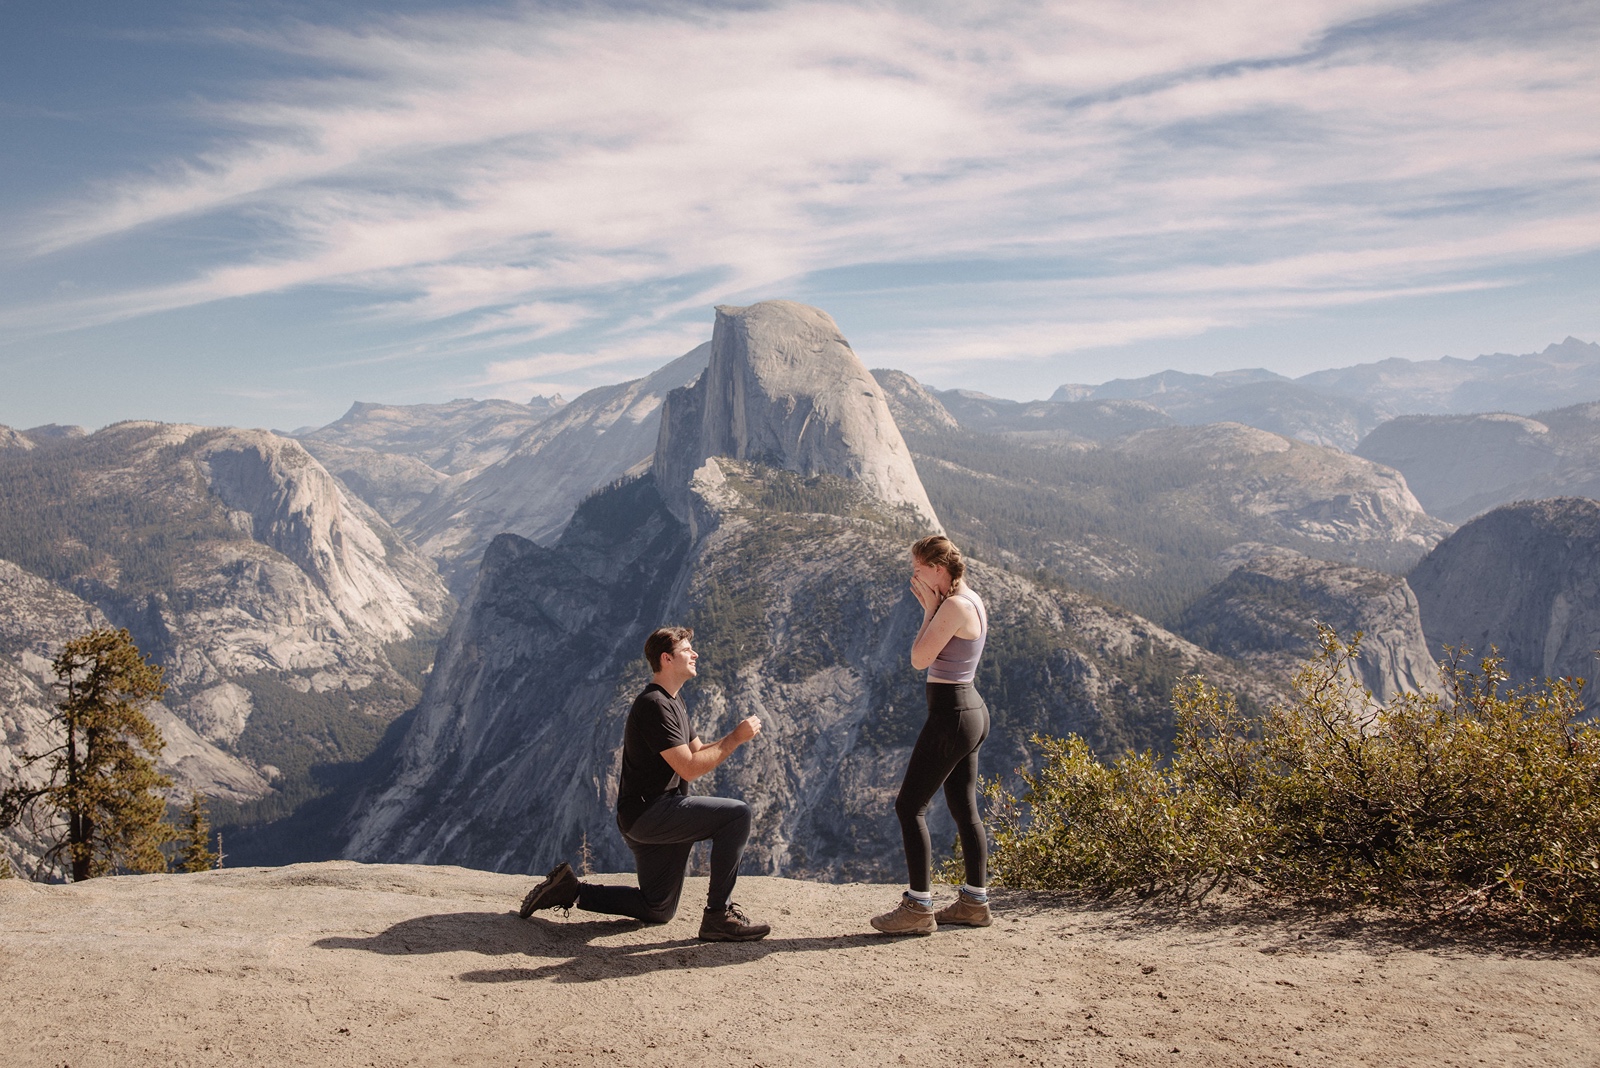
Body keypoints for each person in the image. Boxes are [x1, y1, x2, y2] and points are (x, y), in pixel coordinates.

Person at [518, 626, 771, 942]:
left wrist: (735, 737)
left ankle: (571, 890)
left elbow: (697, 752)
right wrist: (735, 738)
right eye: (687, 651)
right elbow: (690, 769)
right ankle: (718, 915)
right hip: (650, 814)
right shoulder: (654, 705)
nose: (695, 654)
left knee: (658, 908)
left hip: (654, 815)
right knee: (737, 815)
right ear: (666, 659)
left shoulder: (674, 702)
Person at [871, 534, 993, 935]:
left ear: (938, 569)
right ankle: (974, 902)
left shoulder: (953, 606)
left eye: (919, 568)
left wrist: (927, 611)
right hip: (969, 709)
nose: (914, 574)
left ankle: (918, 907)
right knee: (963, 807)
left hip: (952, 716)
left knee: (909, 807)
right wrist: (932, 606)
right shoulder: (969, 598)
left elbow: (919, 658)